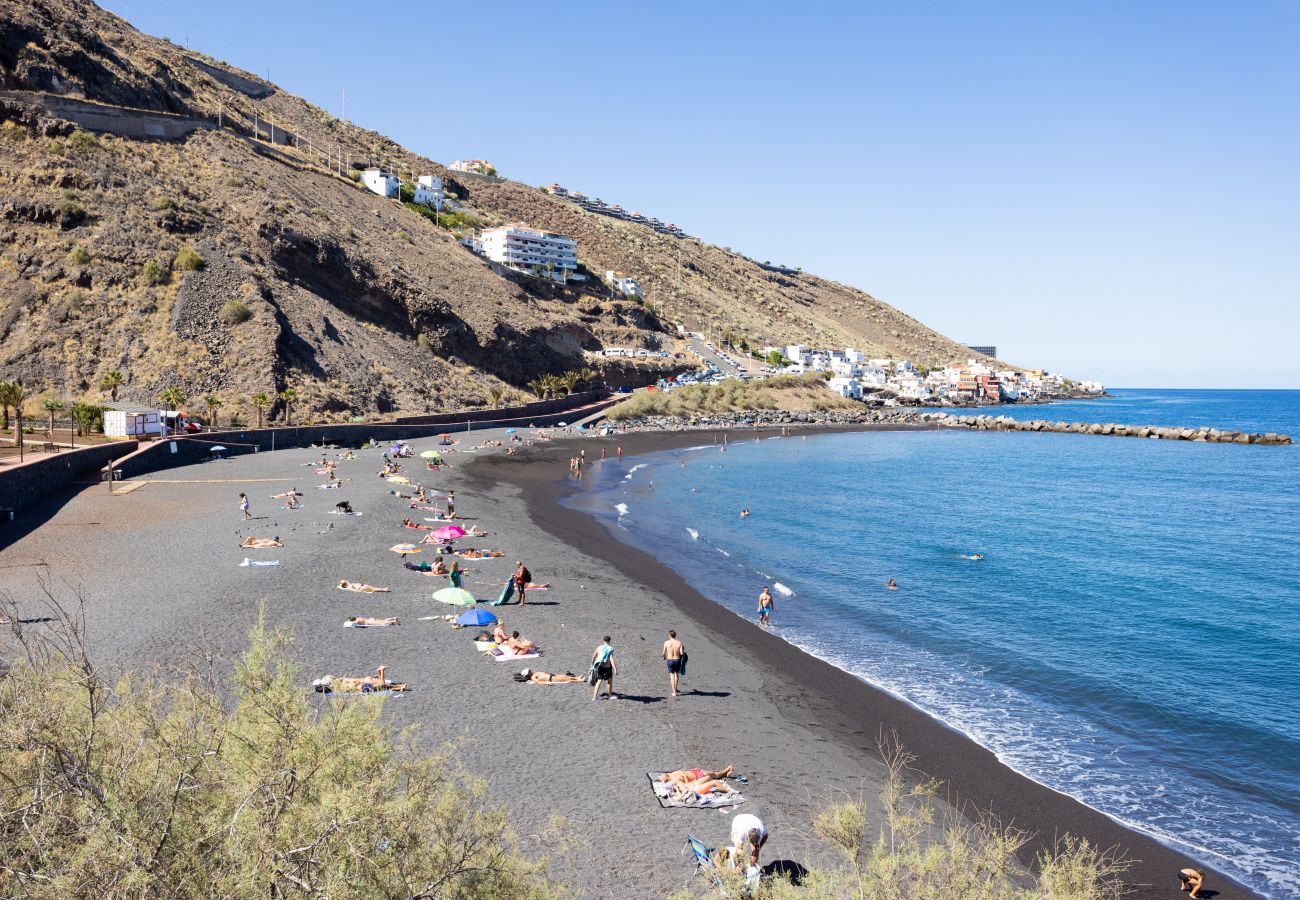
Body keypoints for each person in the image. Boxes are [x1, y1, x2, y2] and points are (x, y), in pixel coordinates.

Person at [591, 636, 616, 700]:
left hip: (600, 666)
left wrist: (592, 665)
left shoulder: (599, 647)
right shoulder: (610, 648)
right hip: (607, 667)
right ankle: (609, 696)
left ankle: (594, 696)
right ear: (609, 641)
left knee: (599, 681)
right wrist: (615, 669)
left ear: (603, 641)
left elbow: (593, 657)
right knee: (609, 681)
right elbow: (611, 659)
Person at [658, 765, 733, 786]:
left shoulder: (670, 774)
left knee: (713, 773)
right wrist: (686, 778)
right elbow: (685, 785)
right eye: (661, 777)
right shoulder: (675, 779)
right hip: (698, 775)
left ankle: (724, 774)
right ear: (665, 780)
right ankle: (726, 770)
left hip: (694, 772)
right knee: (714, 774)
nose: (661, 775)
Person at [662, 630, 685, 697]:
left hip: (670, 660)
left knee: (672, 675)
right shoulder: (679, 642)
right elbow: (681, 653)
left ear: (669, 635)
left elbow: (663, 653)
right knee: (676, 674)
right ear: (675, 635)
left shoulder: (666, 642)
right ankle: (676, 688)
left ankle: (674, 692)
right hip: (677, 660)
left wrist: (665, 657)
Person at [518, 669, 585, 684]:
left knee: (565, 676)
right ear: (528, 674)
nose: (530, 670)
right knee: (566, 680)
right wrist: (546, 683)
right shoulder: (532, 677)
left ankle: (577, 677)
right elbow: (538, 682)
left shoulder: (534, 673)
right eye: (529, 671)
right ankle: (579, 680)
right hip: (550, 679)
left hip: (551, 675)